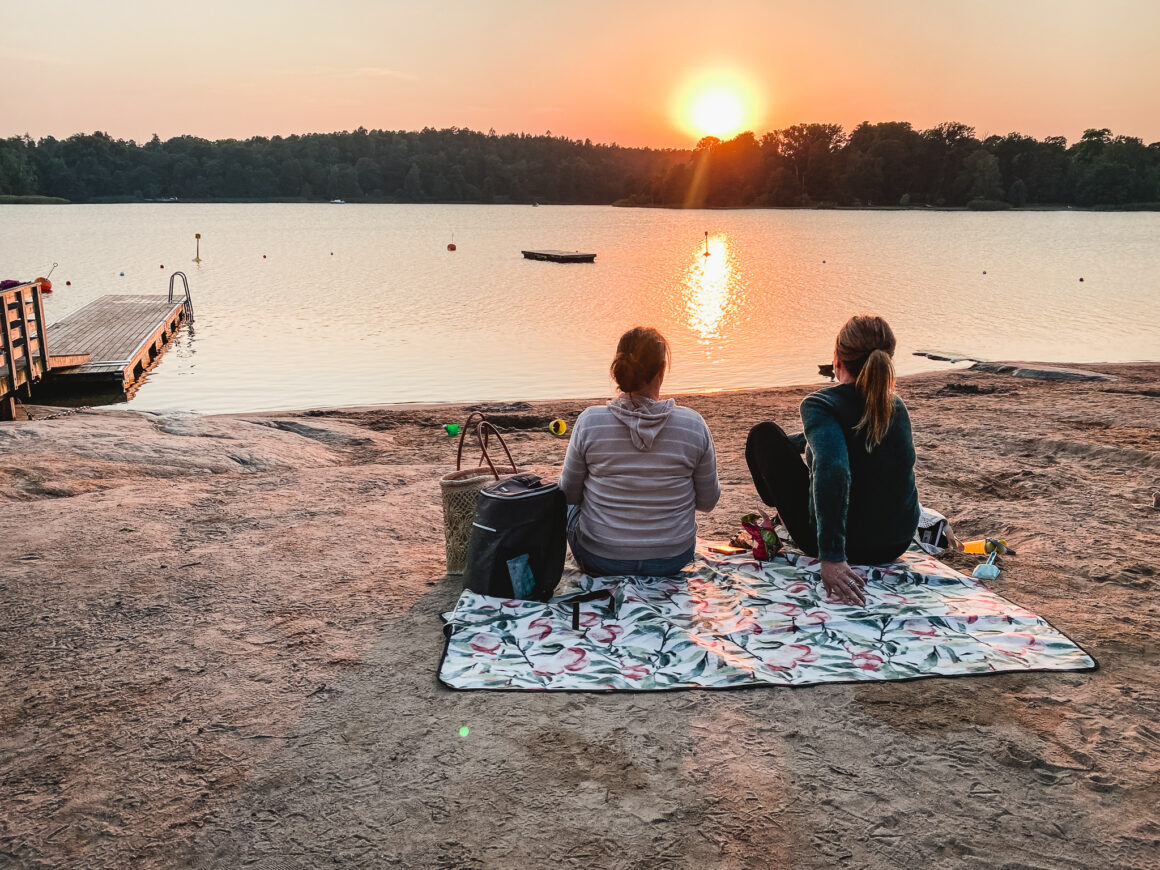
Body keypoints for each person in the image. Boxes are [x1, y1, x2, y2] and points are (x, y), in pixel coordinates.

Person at [746, 315, 919, 605]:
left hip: (848, 547)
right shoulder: (894, 405)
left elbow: (834, 468)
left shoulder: (819, 404)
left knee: (763, 435)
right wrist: (792, 446)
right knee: (782, 443)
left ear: (837, 357)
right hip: (895, 541)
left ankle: (777, 510)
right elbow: (850, 437)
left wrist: (832, 558)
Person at [560, 327, 720, 577]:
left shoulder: (590, 421)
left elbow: (568, 494)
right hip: (672, 558)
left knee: (566, 505)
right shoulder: (693, 425)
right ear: (662, 369)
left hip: (601, 558)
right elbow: (707, 502)